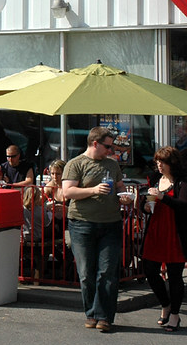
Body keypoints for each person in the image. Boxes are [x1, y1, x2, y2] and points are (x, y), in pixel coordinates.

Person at [62, 126, 135, 333]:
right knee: (86, 273)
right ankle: (91, 313)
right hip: (82, 224)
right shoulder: (75, 164)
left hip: (111, 223)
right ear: (95, 143)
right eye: (108, 146)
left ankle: (104, 317)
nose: (111, 151)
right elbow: (67, 191)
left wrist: (125, 196)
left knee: (107, 272)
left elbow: (120, 187)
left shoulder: (112, 165)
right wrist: (94, 190)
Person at [141, 145, 187, 332]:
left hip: (175, 232)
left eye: (162, 161)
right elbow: (146, 202)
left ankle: (174, 315)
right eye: (157, 161)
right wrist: (143, 206)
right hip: (155, 229)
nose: (158, 164)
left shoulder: (182, 181)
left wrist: (162, 196)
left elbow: (183, 206)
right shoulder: (154, 179)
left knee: (174, 275)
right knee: (149, 269)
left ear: (172, 163)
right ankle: (165, 304)